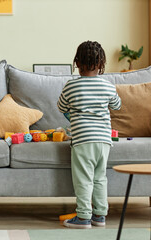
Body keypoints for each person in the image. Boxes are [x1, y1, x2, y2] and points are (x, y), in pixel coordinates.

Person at [57, 41, 121, 229]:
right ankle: (100, 215)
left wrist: (72, 114)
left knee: (84, 178)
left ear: (77, 63)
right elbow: (117, 105)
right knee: (100, 177)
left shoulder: (71, 86)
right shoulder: (108, 86)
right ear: (102, 64)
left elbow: (61, 107)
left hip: (83, 140)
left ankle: (84, 216)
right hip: (103, 140)